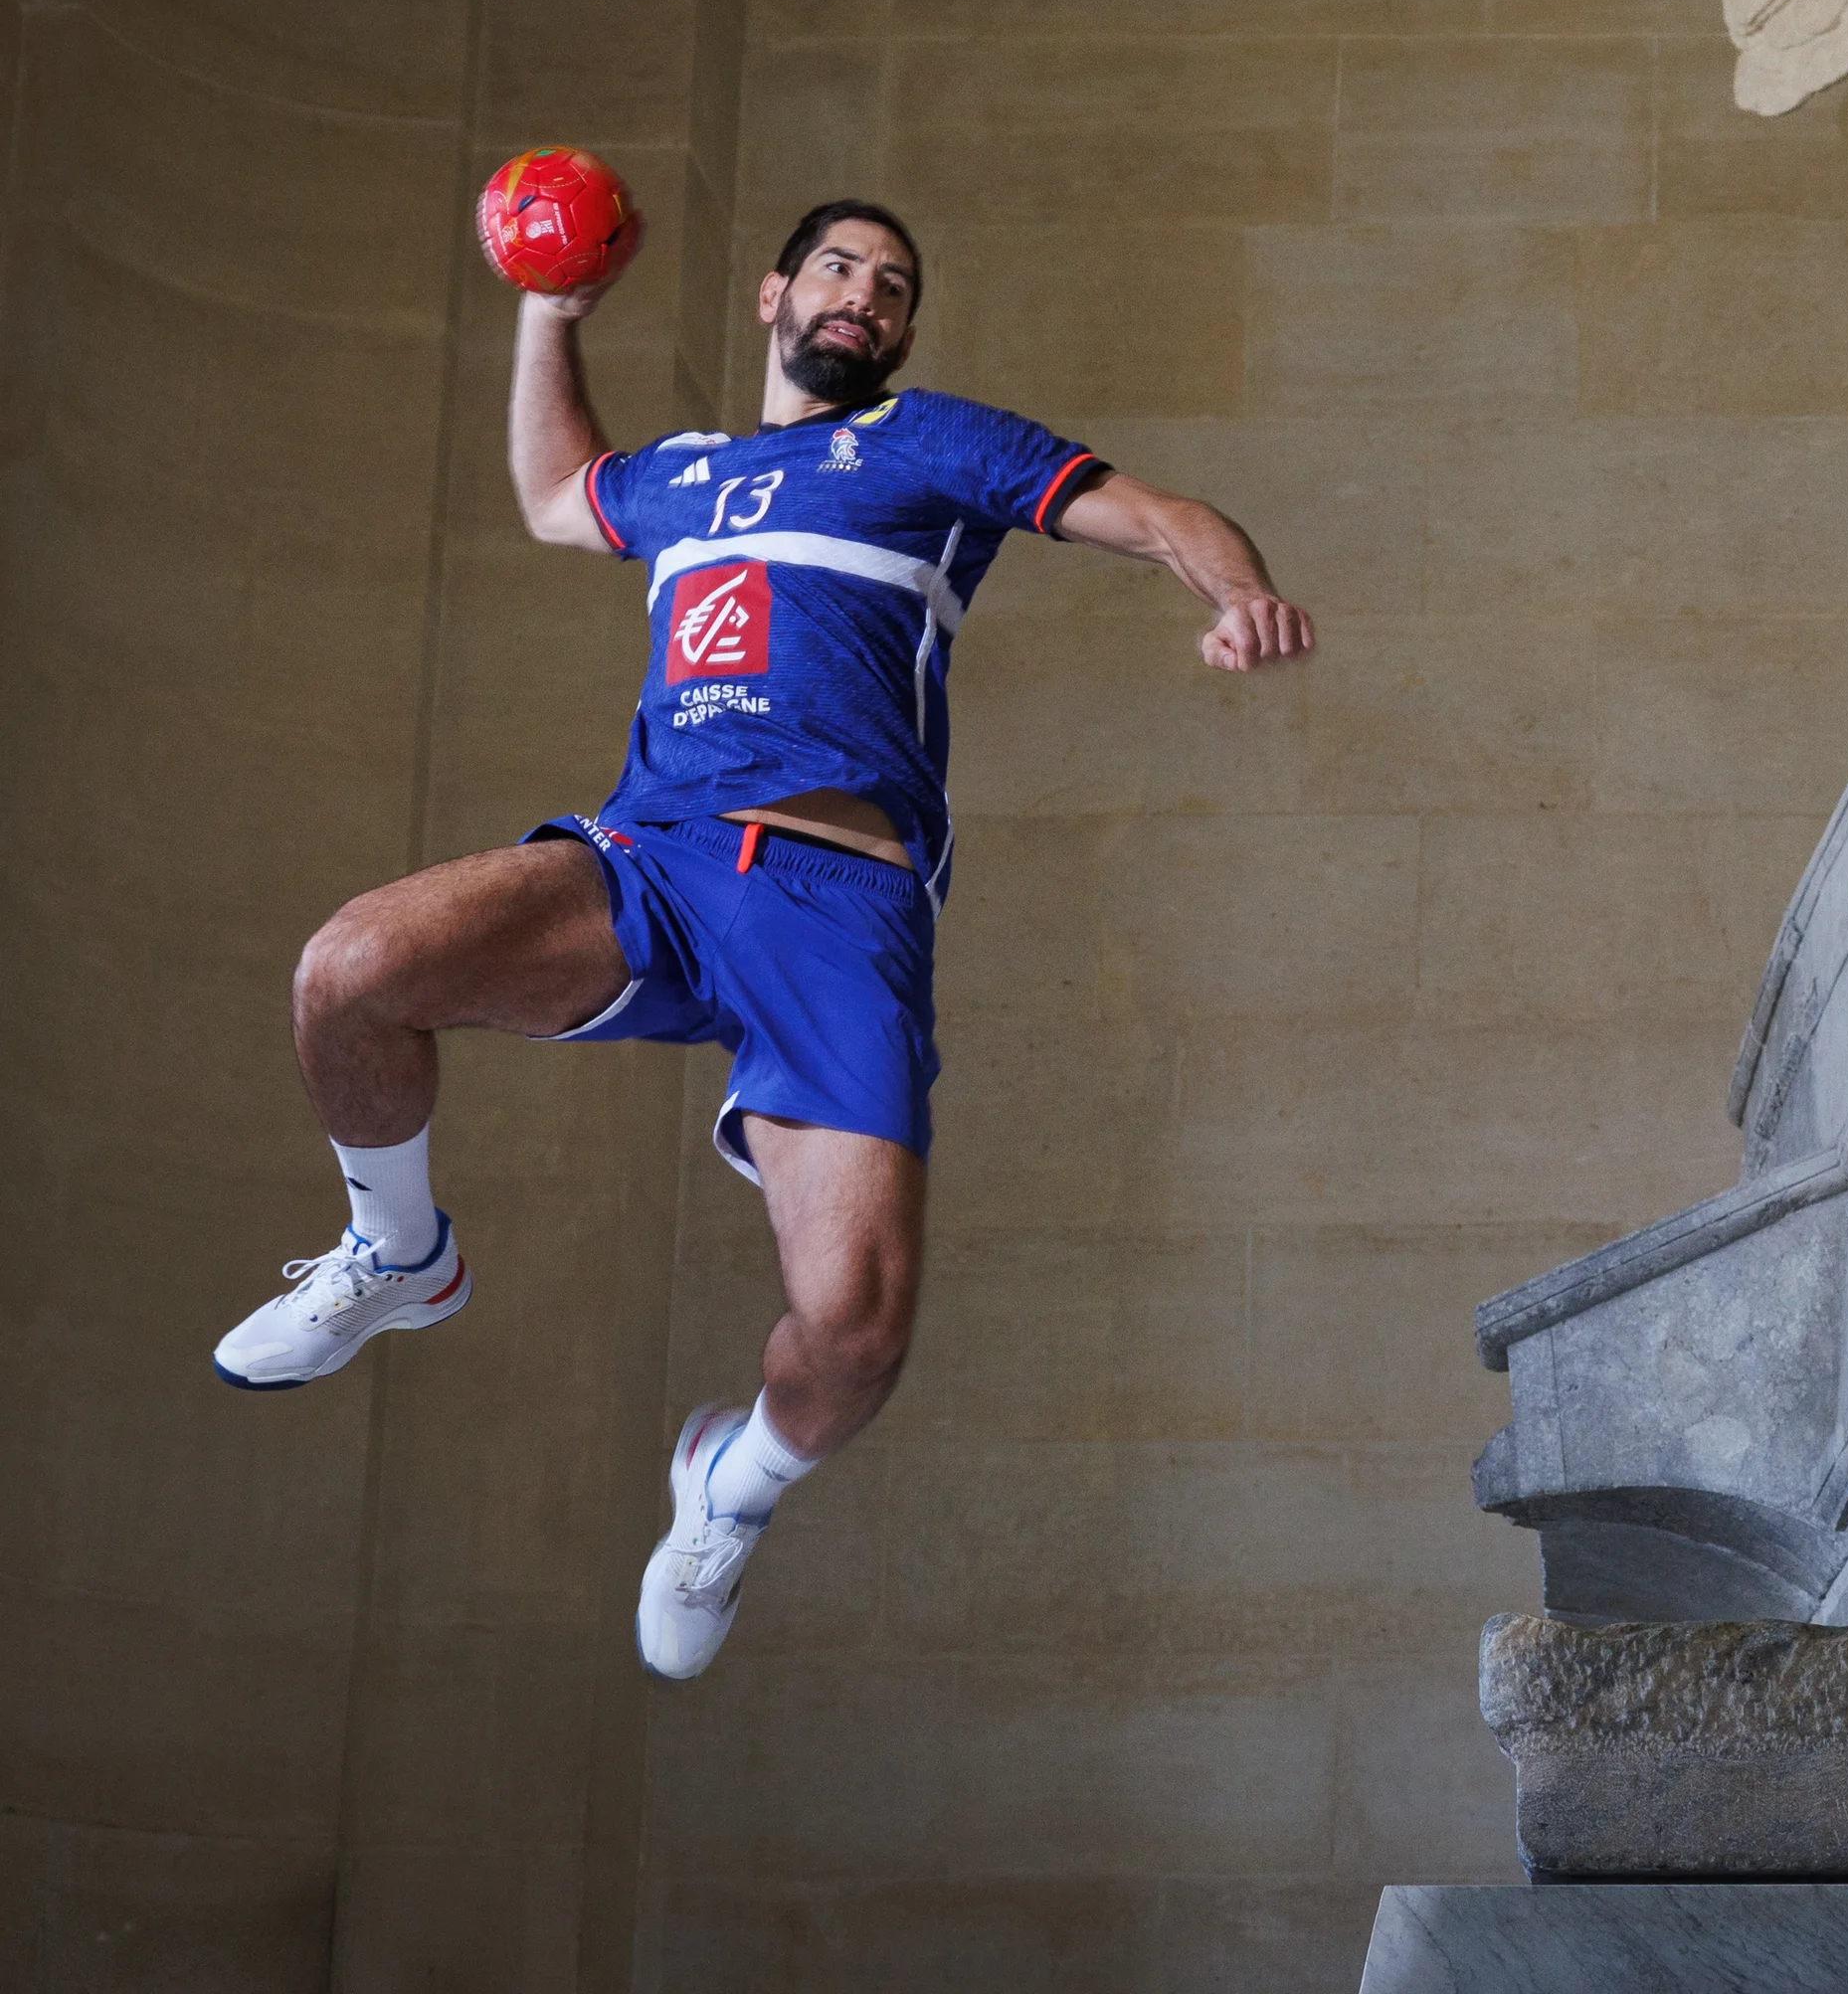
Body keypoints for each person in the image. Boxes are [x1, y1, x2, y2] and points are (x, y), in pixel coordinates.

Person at [210, 199, 1313, 1680]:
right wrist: (551, 303)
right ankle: (398, 1254)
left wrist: (1237, 592)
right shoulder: (681, 479)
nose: (869, 295)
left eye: (897, 286)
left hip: (834, 904)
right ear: (776, 295)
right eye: (843, 268)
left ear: (904, 333)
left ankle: (730, 1489)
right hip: (650, 864)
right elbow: (554, 497)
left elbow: (1160, 515)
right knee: (350, 971)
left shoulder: (930, 446)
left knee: (855, 1332)